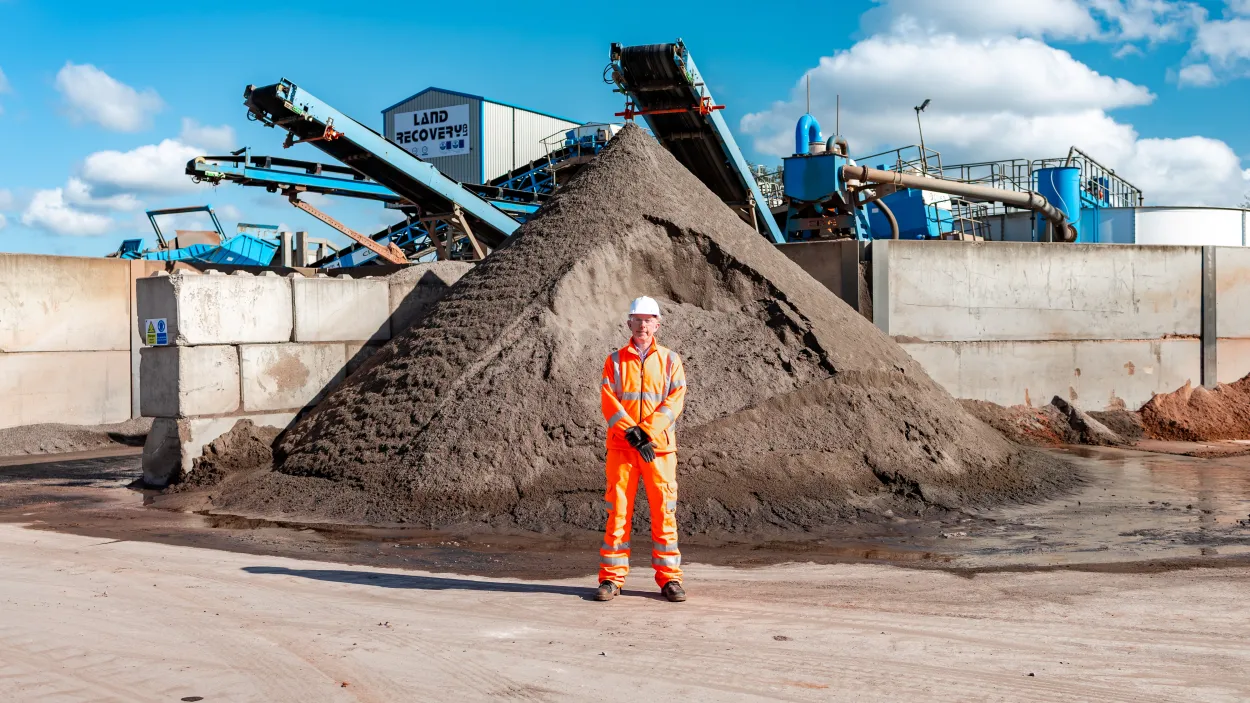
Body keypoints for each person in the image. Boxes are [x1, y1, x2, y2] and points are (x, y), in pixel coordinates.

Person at [595, 296, 687, 603]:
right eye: (638, 319)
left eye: (649, 320)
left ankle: (670, 579)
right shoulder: (615, 360)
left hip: (659, 450)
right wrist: (632, 435)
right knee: (617, 513)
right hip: (623, 449)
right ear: (629, 324)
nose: (643, 325)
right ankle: (611, 579)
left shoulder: (671, 360)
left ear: (657, 324)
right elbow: (609, 401)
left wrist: (645, 432)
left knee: (664, 512)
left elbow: (675, 401)